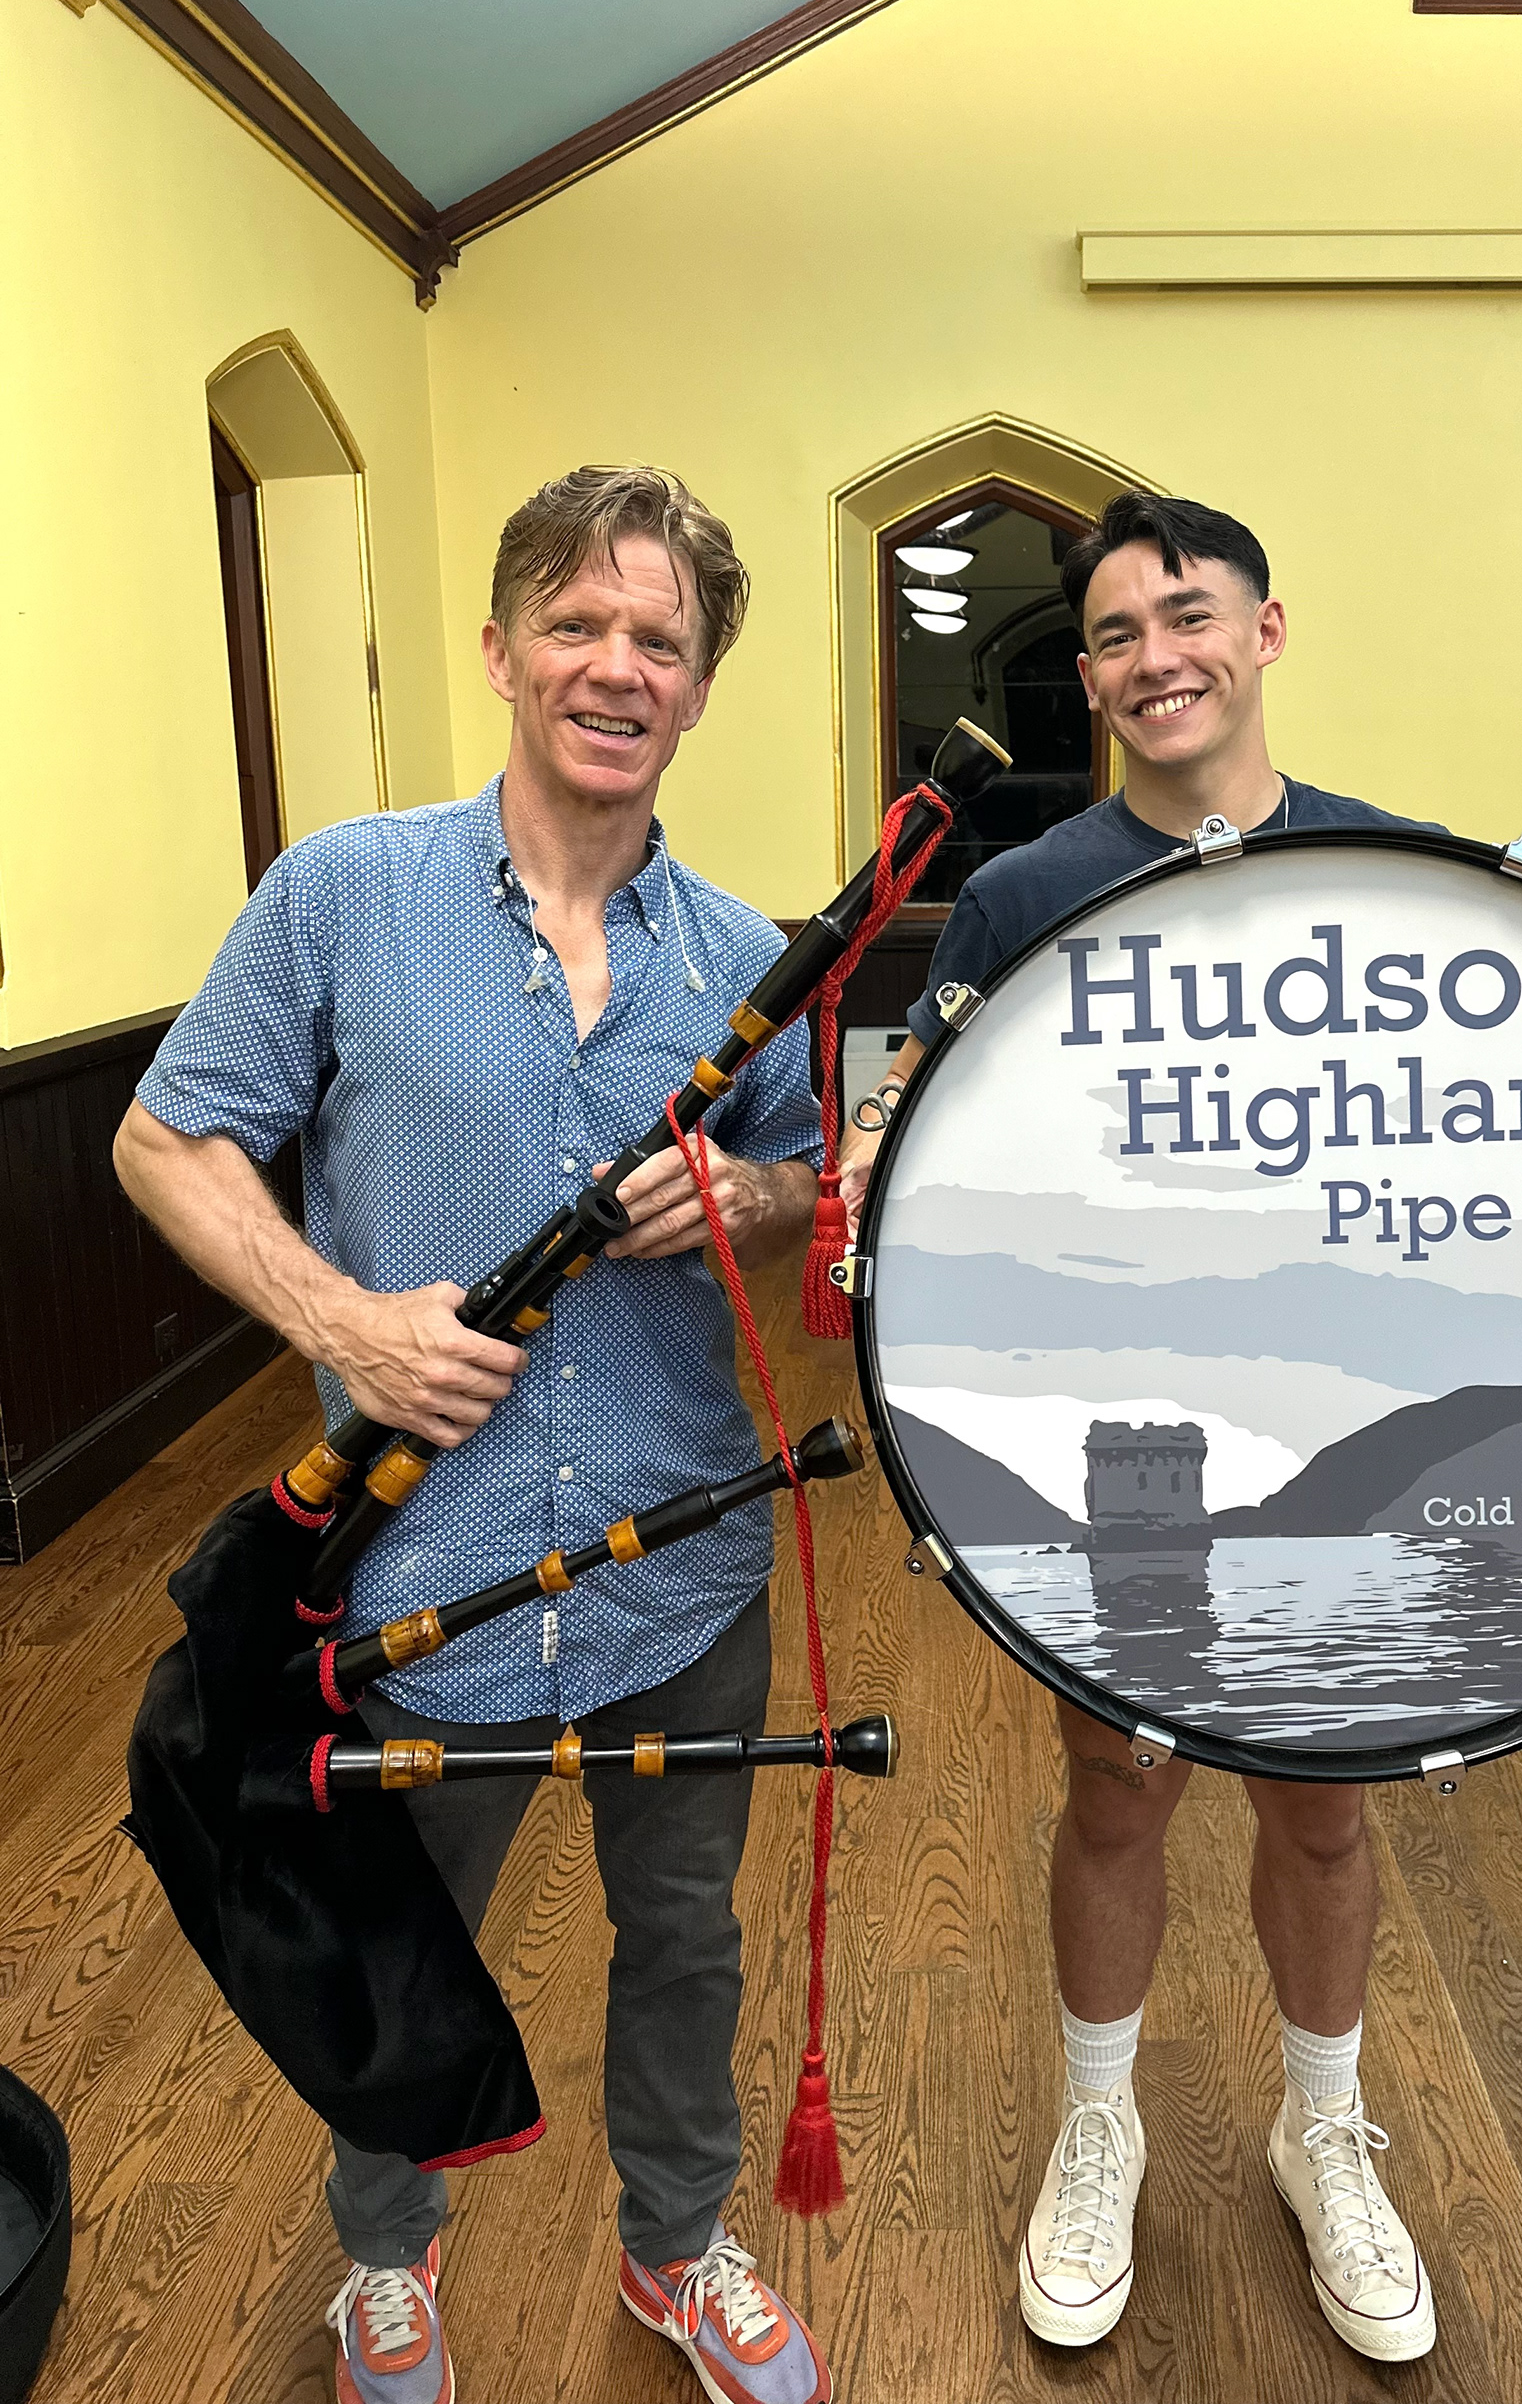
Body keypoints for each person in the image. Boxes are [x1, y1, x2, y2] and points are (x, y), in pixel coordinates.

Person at [115, 468, 833, 2404]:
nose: (619, 664)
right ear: (503, 648)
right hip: (419, 1571)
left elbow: (800, 1191)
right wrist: (345, 1318)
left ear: (699, 688)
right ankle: (387, 2259)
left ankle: (677, 2243)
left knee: (683, 1933)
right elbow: (163, 1139)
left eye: (661, 639)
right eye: (580, 624)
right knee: (388, 1932)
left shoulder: (743, 957)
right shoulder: (343, 896)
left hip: (681, 1562)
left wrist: (750, 1205)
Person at [841, 491, 1442, 2366]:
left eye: (1186, 615)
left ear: (1268, 631)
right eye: (1111, 636)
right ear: (1087, 678)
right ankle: (1097, 2122)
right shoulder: (1024, 895)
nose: (1153, 657)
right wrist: (881, 1174)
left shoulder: (1411, 879)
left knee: (1325, 1797)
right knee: (1116, 1778)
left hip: (1350, 1416)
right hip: (1120, 1421)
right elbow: (931, 1152)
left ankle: (1318, 2128)